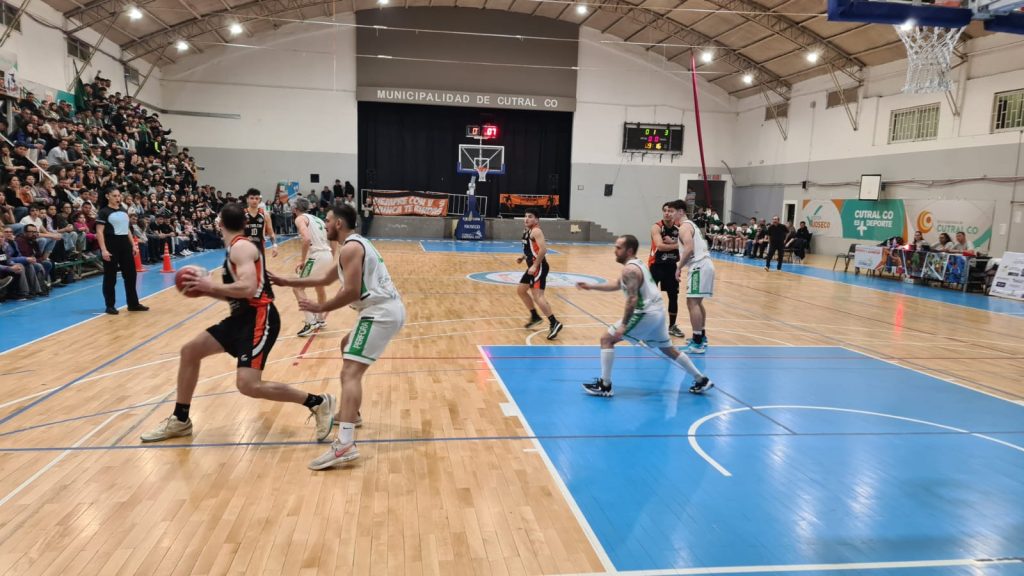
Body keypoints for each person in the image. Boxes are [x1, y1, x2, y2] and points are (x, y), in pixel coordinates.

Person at [141, 202, 335, 444]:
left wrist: (210, 285)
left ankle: (318, 402)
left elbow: (248, 288)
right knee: (190, 351)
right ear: (244, 223)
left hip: (259, 319)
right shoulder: (236, 248)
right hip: (240, 317)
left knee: (248, 385)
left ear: (219, 223)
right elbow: (238, 294)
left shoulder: (241, 248)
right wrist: (207, 290)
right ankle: (180, 420)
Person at [270, 204, 405, 470]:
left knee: (350, 373)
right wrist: (287, 282)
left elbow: (351, 292)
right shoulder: (351, 246)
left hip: (380, 312)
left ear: (339, 223)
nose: (325, 225)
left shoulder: (352, 248)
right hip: (381, 310)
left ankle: (344, 444)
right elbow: (324, 278)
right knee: (346, 345)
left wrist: (320, 307)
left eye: (328, 221)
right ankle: (351, 413)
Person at [576, 234, 713, 397]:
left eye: (618, 248)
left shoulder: (630, 270)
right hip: (657, 312)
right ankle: (701, 379)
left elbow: (632, 299)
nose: (615, 251)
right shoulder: (637, 264)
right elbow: (617, 284)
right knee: (668, 349)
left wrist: (624, 325)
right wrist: (591, 286)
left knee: (606, 339)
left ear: (629, 251)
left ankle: (605, 385)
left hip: (645, 313)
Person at [96, 187, 148, 314]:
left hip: (125, 245)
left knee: (131, 275)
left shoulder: (123, 210)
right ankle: (110, 305)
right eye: (114, 196)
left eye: (119, 195)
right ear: (108, 196)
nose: (117, 198)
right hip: (111, 245)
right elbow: (99, 232)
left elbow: (127, 229)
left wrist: (133, 245)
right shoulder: (103, 212)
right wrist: (104, 250)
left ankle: (133, 304)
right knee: (110, 277)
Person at [674, 199, 714, 354]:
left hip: (699, 265)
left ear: (681, 211)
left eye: (672, 211)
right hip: (703, 264)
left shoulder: (684, 226)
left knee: (692, 303)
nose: (669, 214)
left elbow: (689, 249)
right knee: (696, 302)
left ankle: (697, 343)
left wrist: (678, 267)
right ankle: (701, 337)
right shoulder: (690, 225)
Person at [516, 208, 563, 340]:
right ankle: (535, 316)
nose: (526, 218)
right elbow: (531, 249)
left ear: (536, 219)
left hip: (539, 266)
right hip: (532, 266)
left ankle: (554, 322)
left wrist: (535, 265)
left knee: (538, 296)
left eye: (530, 216)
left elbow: (543, 250)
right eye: (525, 216)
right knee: (521, 290)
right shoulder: (527, 231)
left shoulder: (536, 231)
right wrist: (523, 257)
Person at [291, 197, 333, 336]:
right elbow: (331, 239)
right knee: (319, 287)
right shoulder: (318, 219)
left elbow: (307, 239)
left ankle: (310, 322)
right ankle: (320, 319)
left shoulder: (300, 218)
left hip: (317, 255)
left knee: (297, 287)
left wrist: (302, 260)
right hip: (327, 254)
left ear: (295, 208)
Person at [648, 201, 684, 338]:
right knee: (651, 297)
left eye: (670, 211)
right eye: (665, 211)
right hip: (656, 265)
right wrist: (677, 245)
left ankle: (672, 326)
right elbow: (660, 246)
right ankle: (648, 325)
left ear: (674, 212)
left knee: (673, 296)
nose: (667, 213)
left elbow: (688, 245)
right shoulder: (657, 227)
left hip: (671, 266)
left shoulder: (679, 228)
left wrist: (674, 243)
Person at [244, 188, 278, 258]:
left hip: (260, 248)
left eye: (256, 198)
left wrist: (274, 246)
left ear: (259, 200)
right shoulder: (241, 214)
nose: (254, 200)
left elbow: (271, 233)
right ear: (247, 199)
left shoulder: (265, 214)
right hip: (244, 248)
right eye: (252, 198)